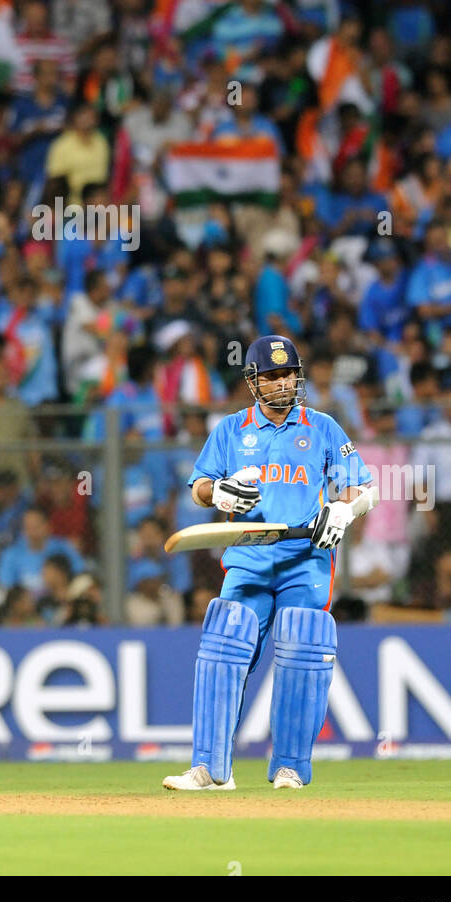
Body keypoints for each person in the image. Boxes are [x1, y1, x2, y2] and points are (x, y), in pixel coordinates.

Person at [163, 334, 377, 793]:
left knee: (302, 649)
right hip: (248, 555)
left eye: (288, 374)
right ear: (254, 381)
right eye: (272, 376)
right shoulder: (230, 430)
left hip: (305, 554)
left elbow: (364, 487)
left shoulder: (322, 427)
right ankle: (210, 769)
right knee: (223, 647)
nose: (282, 384)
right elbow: (198, 486)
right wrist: (217, 492)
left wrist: (344, 509)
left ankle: (291, 768)